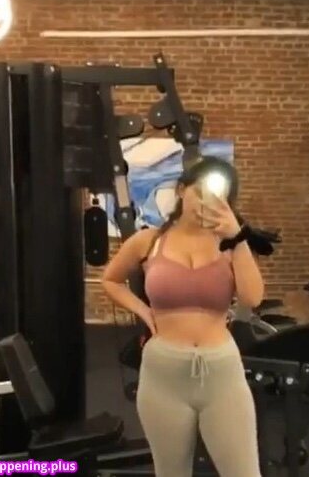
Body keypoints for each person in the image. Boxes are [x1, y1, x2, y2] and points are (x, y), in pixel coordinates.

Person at [102, 156, 264, 477]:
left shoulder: (230, 244)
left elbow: (252, 298)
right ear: (180, 190)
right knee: (171, 472)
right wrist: (143, 310)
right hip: (163, 374)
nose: (207, 203)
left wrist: (238, 237)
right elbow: (111, 279)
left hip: (221, 374)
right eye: (200, 192)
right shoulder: (149, 240)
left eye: (218, 196)